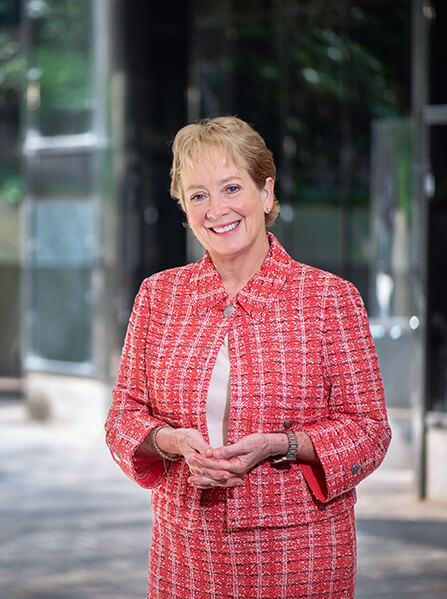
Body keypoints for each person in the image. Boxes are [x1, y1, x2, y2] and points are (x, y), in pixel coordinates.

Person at [105, 116, 391, 598]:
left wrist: (280, 444)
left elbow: (369, 431)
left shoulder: (328, 298)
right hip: (186, 556)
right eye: (197, 195)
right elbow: (122, 418)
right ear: (184, 209)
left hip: (300, 557)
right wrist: (170, 441)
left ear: (265, 192)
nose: (216, 209)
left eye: (231, 187)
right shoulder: (159, 296)